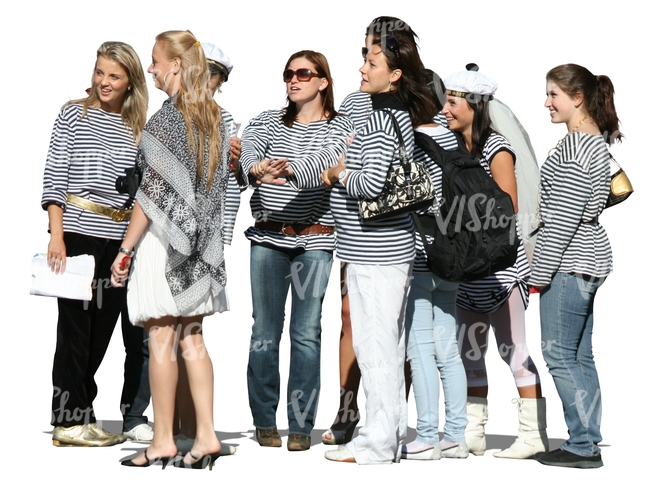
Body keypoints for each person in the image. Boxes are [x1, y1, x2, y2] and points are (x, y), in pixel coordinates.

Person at [317, 24, 438, 464]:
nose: (363, 68)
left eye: (372, 63)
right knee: (380, 344)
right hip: (374, 251)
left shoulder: (385, 119)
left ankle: (379, 442)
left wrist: (337, 174)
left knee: (377, 346)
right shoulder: (386, 115)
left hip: (378, 252)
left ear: (395, 74)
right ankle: (380, 434)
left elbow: (369, 183)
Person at [111, 30, 229, 469]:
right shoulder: (214, 116)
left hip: (165, 244)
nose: (152, 69)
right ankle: (206, 436)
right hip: (201, 246)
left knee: (161, 339)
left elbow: (150, 196)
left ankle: (162, 440)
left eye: (156, 61)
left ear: (176, 64)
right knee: (193, 339)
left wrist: (125, 249)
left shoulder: (165, 119)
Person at [241, 50, 352, 452]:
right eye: (289, 73)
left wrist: (286, 169)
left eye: (304, 73)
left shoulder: (341, 127)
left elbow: (326, 165)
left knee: (306, 334)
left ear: (323, 81)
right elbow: (249, 152)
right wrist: (255, 168)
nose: (294, 79)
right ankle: (264, 421)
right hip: (268, 239)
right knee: (264, 333)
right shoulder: (268, 121)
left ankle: (301, 426)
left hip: (315, 241)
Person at [42, 41, 148, 447]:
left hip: (118, 240)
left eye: (114, 76)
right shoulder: (72, 114)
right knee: (74, 331)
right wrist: (57, 235)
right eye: (100, 72)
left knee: (100, 332)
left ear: (129, 82)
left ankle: (81, 417)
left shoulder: (137, 126)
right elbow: (54, 175)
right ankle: (67, 421)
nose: (104, 81)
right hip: (77, 233)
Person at [442, 66, 548, 459]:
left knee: (513, 348)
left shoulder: (497, 149)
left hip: (501, 269)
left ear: (474, 105)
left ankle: (532, 434)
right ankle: (474, 431)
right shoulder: (455, 147)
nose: (446, 110)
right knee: (470, 350)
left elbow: (507, 210)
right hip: (468, 269)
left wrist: (458, 217)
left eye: (453, 103)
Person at [532, 64, 619, 469]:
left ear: (577, 99)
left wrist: (538, 275)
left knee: (558, 353)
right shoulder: (598, 144)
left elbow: (562, 221)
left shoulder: (573, 148)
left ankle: (583, 444)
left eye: (554, 95)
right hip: (591, 259)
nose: (547, 103)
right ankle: (588, 439)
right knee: (580, 356)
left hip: (569, 263)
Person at [172, 41, 241, 454]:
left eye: (215, 75)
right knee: (164, 331)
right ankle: (173, 425)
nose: (208, 81)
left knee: (190, 331)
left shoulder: (226, 119)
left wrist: (239, 162)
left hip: (205, 239)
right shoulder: (168, 114)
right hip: (167, 235)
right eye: (204, 71)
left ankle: (194, 428)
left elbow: (235, 182)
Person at [400, 69, 469, 461]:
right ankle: (455, 435)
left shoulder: (417, 140)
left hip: (422, 255)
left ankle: (426, 435)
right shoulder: (453, 138)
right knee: (448, 348)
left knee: (419, 348)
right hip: (454, 255)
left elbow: (413, 197)